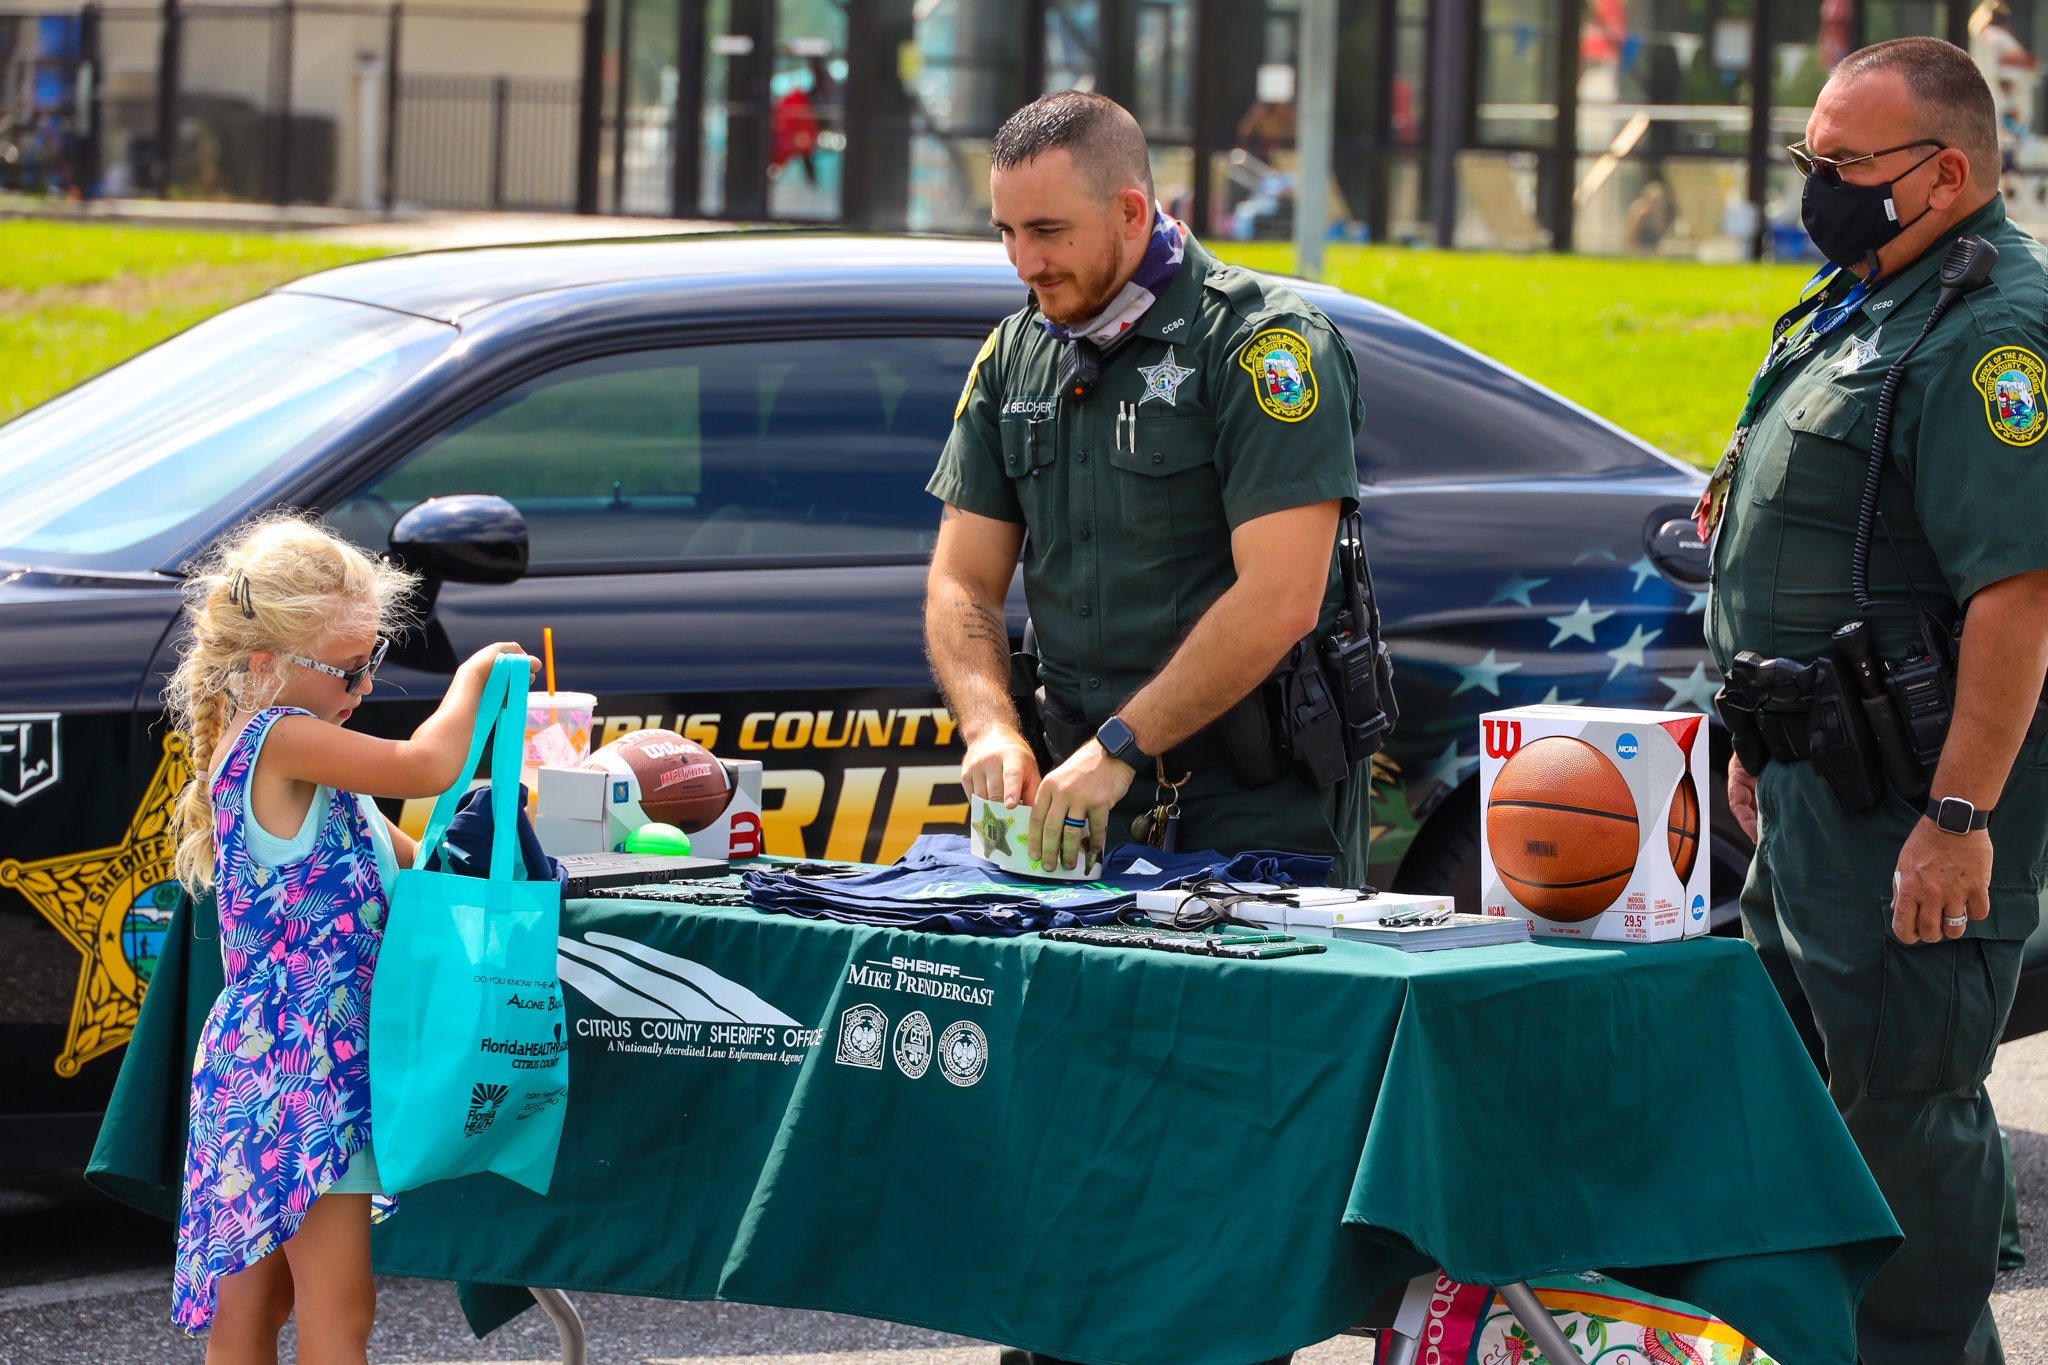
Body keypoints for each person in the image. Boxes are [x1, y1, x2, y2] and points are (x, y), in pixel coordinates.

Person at [1701, 37, 2048, 1365]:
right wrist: (1757, 739)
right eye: (1810, 158)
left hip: (1909, 811)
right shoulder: (1857, 300)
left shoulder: (1994, 331)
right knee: (1800, 1126)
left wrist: (1960, 814)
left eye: (1845, 163)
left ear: (1945, 171)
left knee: (1905, 1123)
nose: (1817, 186)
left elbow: (2019, 595)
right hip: (1810, 789)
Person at [924, 88, 1370, 892]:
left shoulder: (1263, 345)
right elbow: (962, 578)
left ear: (1132, 212)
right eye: (1008, 233)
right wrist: (991, 727)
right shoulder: (1012, 353)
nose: (1025, 263)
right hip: (1075, 805)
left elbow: (1283, 596)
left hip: (1251, 806)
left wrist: (1122, 746)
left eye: (1049, 232)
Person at [165, 513, 535, 1361]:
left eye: (374, 660)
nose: (364, 684)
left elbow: (418, 871)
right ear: (265, 666)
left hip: (280, 1067)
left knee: (256, 1306)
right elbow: (422, 766)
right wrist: (474, 680)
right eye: (349, 667)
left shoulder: (326, 780)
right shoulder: (276, 741)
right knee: (340, 1312)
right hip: (299, 1073)